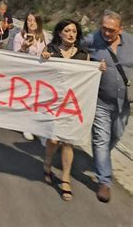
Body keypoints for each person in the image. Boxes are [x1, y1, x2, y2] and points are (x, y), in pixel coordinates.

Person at [41, 19, 100, 201]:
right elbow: (40, 72)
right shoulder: (50, 51)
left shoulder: (83, 55)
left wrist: (99, 69)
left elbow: (89, 75)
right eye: (67, 30)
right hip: (53, 102)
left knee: (68, 141)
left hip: (73, 104)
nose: (71, 34)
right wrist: (42, 58)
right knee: (53, 139)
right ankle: (48, 163)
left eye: (74, 31)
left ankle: (65, 178)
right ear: (59, 33)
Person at [83, 10, 132, 203]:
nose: (106, 33)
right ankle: (104, 181)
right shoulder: (92, 39)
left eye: (111, 30)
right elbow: (73, 49)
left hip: (124, 103)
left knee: (116, 136)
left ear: (120, 29)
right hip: (101, 101)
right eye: (103, 28)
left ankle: (102, 159)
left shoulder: (131, 43)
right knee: (101, 139)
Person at [12, 12, 51, 140]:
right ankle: (26, 126)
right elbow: (14, 57)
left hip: (41, 72)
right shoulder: (19, 36)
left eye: (34, 20)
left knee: (38, 99)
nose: (31, 23)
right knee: (26, 99)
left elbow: (49, 50)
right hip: (25, 72)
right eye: (29, 20)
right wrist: (23, 47)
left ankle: (37, 125)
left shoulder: (44, 36)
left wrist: (46, 53)